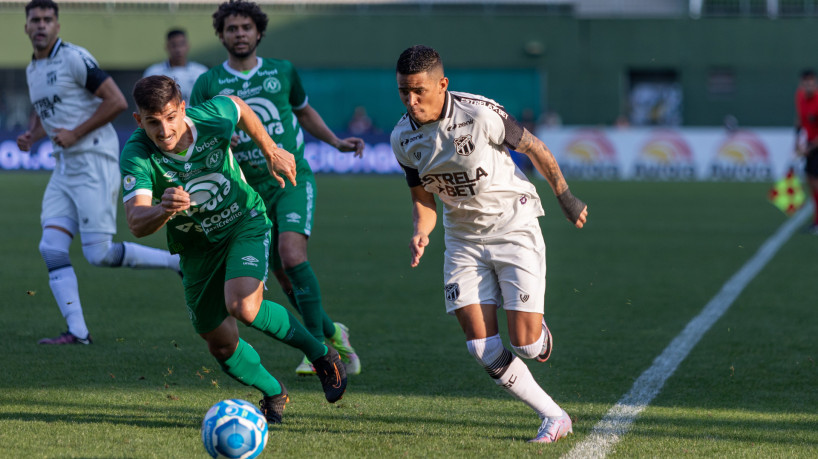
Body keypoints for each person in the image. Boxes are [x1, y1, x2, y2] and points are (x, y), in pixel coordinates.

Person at [389, 45, 588, 444]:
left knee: (527, 346)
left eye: (419, 91)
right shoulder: (402, 139)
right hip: (462, 239)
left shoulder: (479, 114)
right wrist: (421, 231)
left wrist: (565, 197)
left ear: (442, 85)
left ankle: (537, 334)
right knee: (481, 347)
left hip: (513, 225)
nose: (411, 101)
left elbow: (533, 147)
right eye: (403, 92)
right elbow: (423, 200)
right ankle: (554, 416)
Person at [121, 75, 347, 423]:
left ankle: (321, 354)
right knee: (220, 343)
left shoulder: (211, 116)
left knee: (243, 305)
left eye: (170, 117)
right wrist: (163, 209)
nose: (164, 130)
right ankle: (274, 391)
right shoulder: (136, 153)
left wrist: (270, 149)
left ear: (183, 109)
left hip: (243, 221)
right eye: (153, 122)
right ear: (139, 120)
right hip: (196, 248)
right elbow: (136, 222)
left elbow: (239, 106)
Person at [191, 0, 363, 376]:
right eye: (232, 29)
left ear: (259, 32)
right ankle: (335, 332)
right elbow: (196, 135)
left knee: (292, 256)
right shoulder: (208, 83)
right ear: (221, 35)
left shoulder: (282, 71)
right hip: (246, 193)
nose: (240, 34)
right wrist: (221, 139)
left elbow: (304, 111)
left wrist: (335, 142)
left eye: (246, 28)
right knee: (284, 277)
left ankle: (316, 351)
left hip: (291, 179)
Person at [17, 0, 181, 345]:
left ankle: (175, 261)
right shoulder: (33, 68)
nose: (41, 25)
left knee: (99, 253)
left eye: (47, 19)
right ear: (26, 27)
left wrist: (76, 133)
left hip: (93, 160)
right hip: (65, 166)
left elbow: (116, 101)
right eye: (35, 20)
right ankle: (78, 332)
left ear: (57, 26)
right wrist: (33, 134)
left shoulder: (74, 58)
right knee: (51, 247)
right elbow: (45, 110)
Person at [143, 29, 208, 105]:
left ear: (188, 46)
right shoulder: (153, 73)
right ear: (167, 47)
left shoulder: (201, 72)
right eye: (174, 45)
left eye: (181, 45)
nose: (178, 50)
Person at [794, 69, 818, 233]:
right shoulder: (800, 96)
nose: (809, 85)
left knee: (816, 182)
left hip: (815, 145)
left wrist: (808, 149)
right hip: (810, 144)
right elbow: (799, 119)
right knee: (810, 181)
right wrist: (797, 142)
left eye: (811, 82)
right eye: (806, 82)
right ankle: (816, 221)